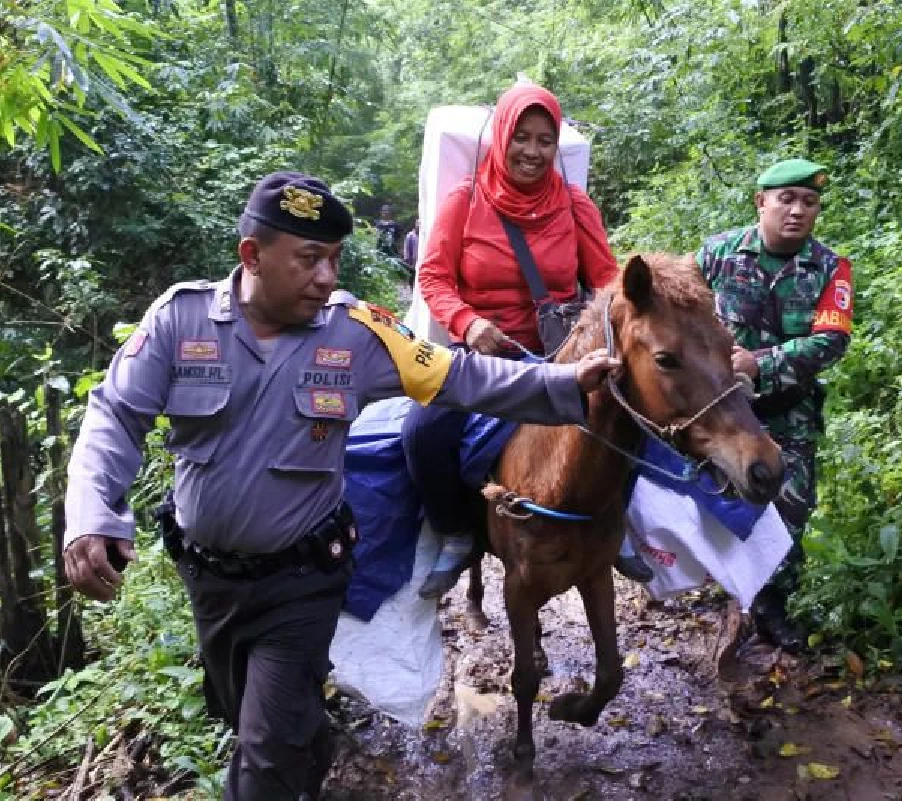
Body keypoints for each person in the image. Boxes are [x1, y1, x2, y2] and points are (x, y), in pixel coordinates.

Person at [62, 171, 621, 801]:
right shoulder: (179, 320)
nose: (327, 276)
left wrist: (565, 384)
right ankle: (311, 740)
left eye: (333, 258)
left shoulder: (355, 331)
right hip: (210, 580)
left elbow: (457, 377)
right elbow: (114, 414)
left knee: (263, 756)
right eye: (309, 259)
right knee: (249, 718)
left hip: (301, 580)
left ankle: (289, 748)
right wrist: (90, 512)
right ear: (252, 255)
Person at [407, 83, 654, 598]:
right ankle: (455, 531)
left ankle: (618, 522)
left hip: (561, 350)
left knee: (632, 417)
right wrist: (468, 323)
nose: (533, 152)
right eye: (522, 137)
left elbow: (607, 281)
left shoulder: (573, 205)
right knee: (423, 431)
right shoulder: (465, 201)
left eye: (546, 140)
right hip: (480, 352)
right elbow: (433, 278)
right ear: (501, 136)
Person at [694, 158, 854, 654]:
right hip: (722, 408)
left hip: (790, 409)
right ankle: (720, 588)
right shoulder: (716, 255)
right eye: (786, 199)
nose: (797, 210)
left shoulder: (830, 267)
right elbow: (675, 312)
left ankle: (772, 607)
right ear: (761, 202)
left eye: (808, 202)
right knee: (711, 494)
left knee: (790, 507)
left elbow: (831, 339)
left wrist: (761, 363)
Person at [401, 218, 419, 283]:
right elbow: (406, 247)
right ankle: (411, 289)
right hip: (412, 259)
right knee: (412, 275)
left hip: (420, 259)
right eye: (417, 224)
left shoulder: (423, 235)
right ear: (415, 224)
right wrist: (406, 258)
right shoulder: (410, 235)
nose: (418, 226)